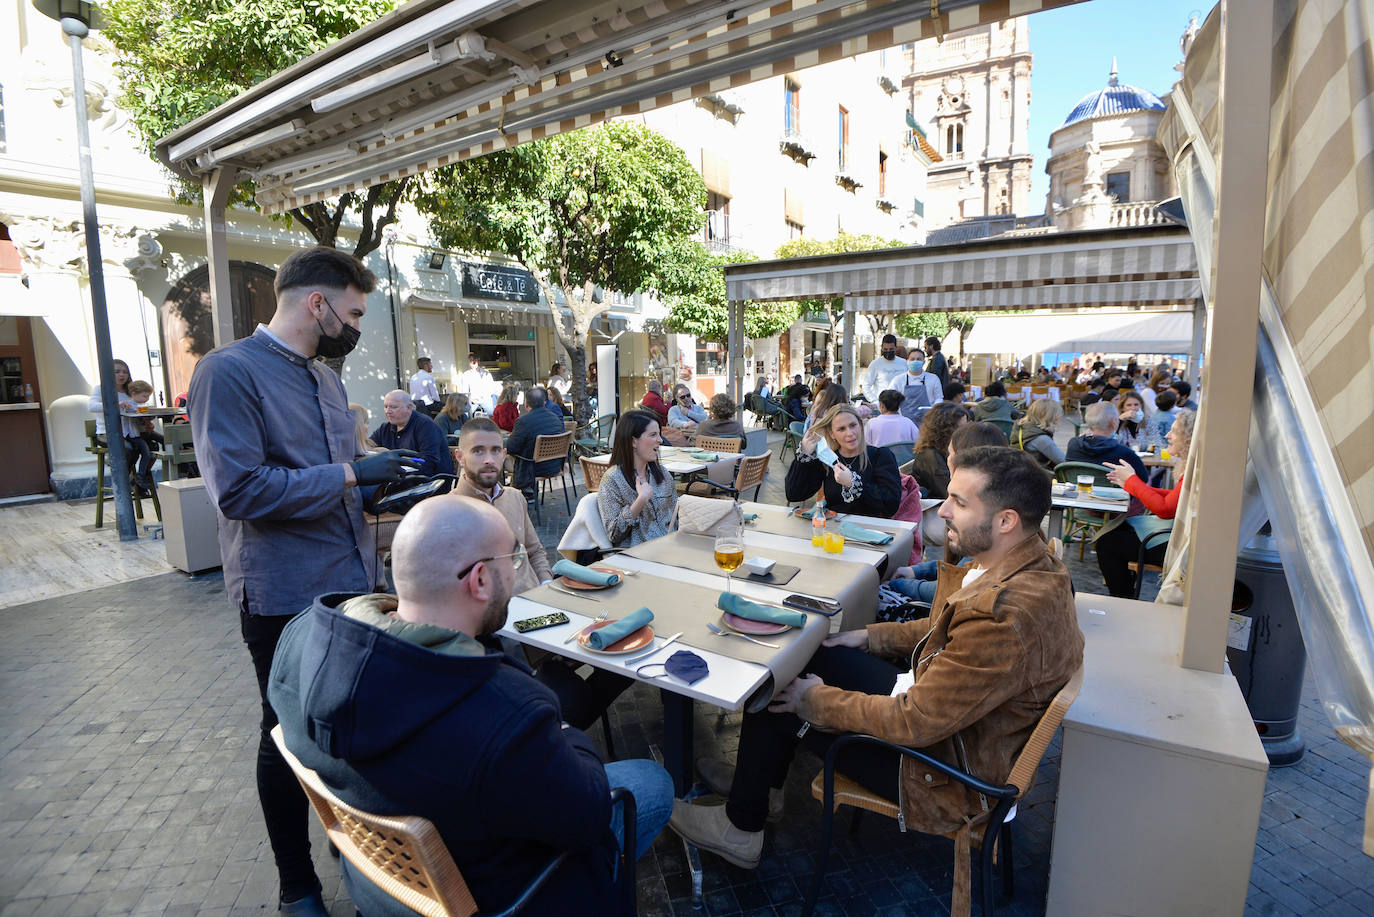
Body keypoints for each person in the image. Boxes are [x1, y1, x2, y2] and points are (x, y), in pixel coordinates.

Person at [669, 448, 1084, 891]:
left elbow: (914, 721)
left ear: (1006, 520)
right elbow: (947, 628)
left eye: (960, 503)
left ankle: (742, 827)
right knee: (806, 655)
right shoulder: (1032, 566)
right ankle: (761, 786)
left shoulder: (1006, 616)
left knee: (785, 687)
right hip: (959, 728)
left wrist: (815, 701)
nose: (942, 509)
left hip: (942, 773)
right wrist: (867, 636)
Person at [268, 495, 673, 917]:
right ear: (479, 579)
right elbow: (590, 816)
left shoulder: (299, 640)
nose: (516, 573)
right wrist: (563, 727)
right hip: (504, 896)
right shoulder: (505, 713)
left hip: (377, 883)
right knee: (650, 781)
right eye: (512, 562)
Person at [189, 245, 423, 915]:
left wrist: (392, 482)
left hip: (350, 578)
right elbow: (237, 490)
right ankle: (297, 885)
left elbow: (340, 478)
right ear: (316, 303)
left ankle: (352, 846)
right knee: (284, 736)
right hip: (282, 593)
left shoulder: (325, 380)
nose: (354, 326)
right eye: (352, 313)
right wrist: (352, 474)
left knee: (346, 728)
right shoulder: (226, 372)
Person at [883, 421, 1009, 606]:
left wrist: (902, 584)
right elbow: (963, 568)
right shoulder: (997, 495)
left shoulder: (985, 513)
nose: (944, 512)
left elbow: (955, 587)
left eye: (959, 503)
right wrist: (918, 572)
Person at [1094, 409, 1197, 596]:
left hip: (1180, 546)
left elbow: (1164, 509)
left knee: (1107, 543)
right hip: (1182, 537)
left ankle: (1123, 598)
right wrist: (1131, 483)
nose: (1168, 435)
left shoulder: (1195, 471)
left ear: (1189, 438)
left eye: (1174, 432)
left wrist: (1132, 481)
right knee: (1117, 530)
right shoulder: (1196, 468)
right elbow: (1176, 497)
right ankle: (1125, 591)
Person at [452, 417, 552, 592]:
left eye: (495, 451)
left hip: (535, 601)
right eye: (478, 451)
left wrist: (545, 585)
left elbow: (534, 551)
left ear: (504, 455)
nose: (489, 460)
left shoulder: (515, 497)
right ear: (460, 457)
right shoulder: (444, 511)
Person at [787, 403, 901, 517]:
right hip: (832, 530)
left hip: (870, 529)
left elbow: (891, 505)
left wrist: (852, 483)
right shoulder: (828, 459)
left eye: (853, 425)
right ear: (832, 434)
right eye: (841, 429)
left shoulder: (879, 456)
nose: (849, 433)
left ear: (860, 426)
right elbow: (794, 494)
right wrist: (803, 456)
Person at [597, 410, 678, 547]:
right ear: (634, 441)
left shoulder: (663, 474)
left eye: (659, 434)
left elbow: (677, 518)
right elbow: (614, 534)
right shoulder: (612, 479)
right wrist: (640, 501)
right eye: (653, 435)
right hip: (638, 556)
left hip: (670, 547)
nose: (660, 440)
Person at [88, 358, 157, 495]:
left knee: (153, 446)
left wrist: (146, 422)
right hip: (107, 433)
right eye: (117, 372)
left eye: (124, 372)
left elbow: (133, 414)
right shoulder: (102, 389)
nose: (121, 375)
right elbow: (91, 406)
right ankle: (123, 482)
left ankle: (139, 480)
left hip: (130, 432)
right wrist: (116, 406)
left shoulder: (131, 391)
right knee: (128, 447)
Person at [372, 390, 455, 477]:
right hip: (398, 480)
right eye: (385, 407)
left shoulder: (425, 426)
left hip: (430, 483)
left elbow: (428, 463)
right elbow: (367, 446)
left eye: (393, 407)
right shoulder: (385, 428)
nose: (387, 411)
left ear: (409, 407)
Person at [505, 386, 567, 496]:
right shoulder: (555, 419)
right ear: (544, 402)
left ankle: (505, 498)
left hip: (532, 469)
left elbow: (511, 448)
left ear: (526, 404)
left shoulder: (523, 421)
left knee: (502, 457)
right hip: (554, 466)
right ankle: (528, 493)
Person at [1065, 402, 1148, 481]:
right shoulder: (1123, 453)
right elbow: (1143, 478)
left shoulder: (1074, 444)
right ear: (1114, 422)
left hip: (1079, 492)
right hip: (1115, 494)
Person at [908, 401, 967, 499]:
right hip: (936, 507)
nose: (965, 432)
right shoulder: (931, 456)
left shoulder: (946, 449)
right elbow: (949, 492)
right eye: (961, 428)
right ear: (946, 429)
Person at [1012, 398, 1066, 471]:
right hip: (1039, 475)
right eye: (1057, 416)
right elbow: (1065, 462)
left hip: (1022, 470)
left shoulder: (1022, 427)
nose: (1059, 419)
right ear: (1050, 418)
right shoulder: (1041, 439)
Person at [892, 352, 943, 428]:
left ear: (924, 362)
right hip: (904, 423)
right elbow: (890, 398)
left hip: (927, 422)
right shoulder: (898, 380)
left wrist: (933, 412)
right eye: (912, 359)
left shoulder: (933, 378)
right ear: (907, 361)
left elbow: (939, 398)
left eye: (919, 359)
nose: (915, 361)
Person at [126, 380, 166, 457]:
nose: (147, 399)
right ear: (134, 394)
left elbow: (149, 418)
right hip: (136, 433)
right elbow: (134, 416)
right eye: (145, 396)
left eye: (148, 396)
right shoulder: (130, 405)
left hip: (146, 431)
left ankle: (167, 460)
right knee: (146, 453)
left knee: (164, 440)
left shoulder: (144, 404)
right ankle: (143, 469)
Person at [863, 333, 906, 401]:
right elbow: (866, 386)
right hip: (882, 405)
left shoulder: (904, 363)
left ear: (896, 348)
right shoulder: (875, 364)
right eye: (885, 349)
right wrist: (874, 401)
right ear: (882, 348)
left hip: (901, 403)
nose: (888, 351)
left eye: (891, 349)